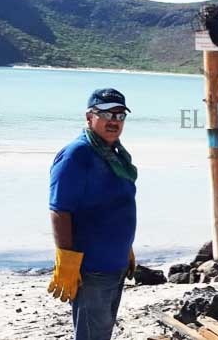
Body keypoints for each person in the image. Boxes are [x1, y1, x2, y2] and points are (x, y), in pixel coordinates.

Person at [48, 88, 138, 340]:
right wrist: (66, 259)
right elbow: (59, 210)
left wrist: (126, 247)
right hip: (91, 267)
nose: (114, 121)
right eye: (107, 114)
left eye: (120, 115)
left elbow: (117, 205)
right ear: (89, 117)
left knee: (102, 332)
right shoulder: (77, 154)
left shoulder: (115, 155)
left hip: (115, 263)